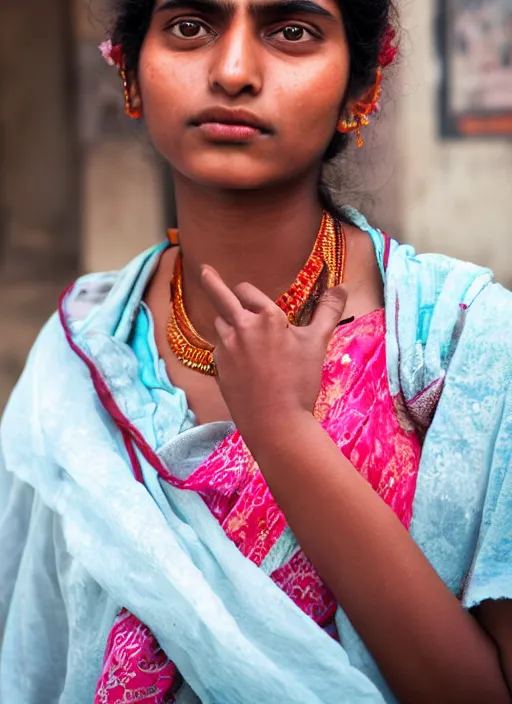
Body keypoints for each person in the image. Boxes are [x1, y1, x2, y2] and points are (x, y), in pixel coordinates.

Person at [0, 0, 511, 701]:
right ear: (130, 74)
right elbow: (32, 658)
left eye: (292, 31)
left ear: (358, 90)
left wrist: (283, 431)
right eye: (189, 26)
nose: (234, 71)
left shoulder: (461, 344)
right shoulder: (83, 349)